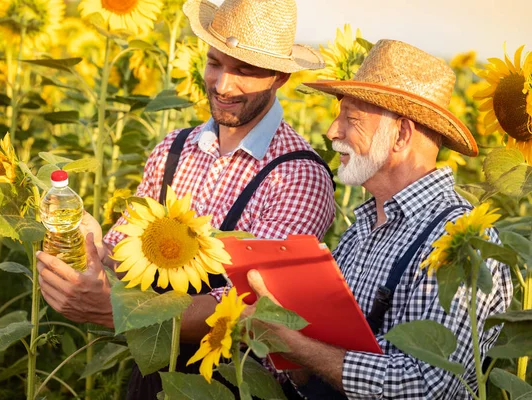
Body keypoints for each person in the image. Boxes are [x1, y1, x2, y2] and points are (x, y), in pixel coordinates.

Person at [35, 0, 335, 397]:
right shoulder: (173, 148)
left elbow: (252, 310)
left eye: (244, 70)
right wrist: (94, 250)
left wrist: (116, 310)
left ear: (279, 77)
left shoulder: (297, 175)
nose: (224, 85)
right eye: (215, 63)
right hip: (153, 369)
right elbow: (126, 254)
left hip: (235, 382)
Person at [245, 39, 513, 399]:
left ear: (401, 135)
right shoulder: (361, 229)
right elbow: (322, 356)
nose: (332, 132)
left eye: (350, 119)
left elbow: (428, 386)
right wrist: (281, 334)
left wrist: (295, 345)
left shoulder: (462, 242)